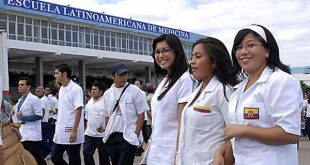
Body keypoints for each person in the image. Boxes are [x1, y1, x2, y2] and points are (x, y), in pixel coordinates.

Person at [221, 24, 303, 165]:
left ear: (267, 50)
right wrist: (220, 152)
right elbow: (235, 133)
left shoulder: (281, 81)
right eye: (239, 48)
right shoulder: (238, 90)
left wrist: (245, 130)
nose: (243, 51)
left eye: (250, 45)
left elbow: (290, 134)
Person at [176, 37, 237, 165]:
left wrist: (221, 154)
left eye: (198, 56)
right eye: (192, 57)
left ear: (213, 62)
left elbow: (234, 135)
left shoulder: (224, 91)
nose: (192, 61)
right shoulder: (196, 92)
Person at [143, 34, 196, 164]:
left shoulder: (186, 80)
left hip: (170, 155)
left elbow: (183, 125)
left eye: (166, 50)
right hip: (156, 153)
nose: (160, 55)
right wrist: (147, 153)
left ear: (176, 52)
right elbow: (158, 124)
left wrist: (176, 158)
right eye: (157, 52)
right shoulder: (166, 80)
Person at [102, 62, 149, 165]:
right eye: (120, 75)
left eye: (125, 74)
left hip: (128, 137)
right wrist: (107, 131)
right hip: (112, 137)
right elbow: (106, 115)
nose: (124, 77)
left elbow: (141, 114)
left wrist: (135, 134)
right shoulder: (108, 94)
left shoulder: (135, 91)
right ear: (113, 77)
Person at [52, 64, 84, 165]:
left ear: (64, 74)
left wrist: (74, 130)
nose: (55, 75)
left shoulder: (76, 88)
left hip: (71, 130)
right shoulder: (61, 89)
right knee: (55, 157)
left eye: (57, 73)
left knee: (74, 160)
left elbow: (78, 109)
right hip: (61, 130)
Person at [16, 77, 46, 165]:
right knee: (27, 158)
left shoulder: (34, 99)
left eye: (22, 85)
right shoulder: (20, 100)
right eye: (19, 85)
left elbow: (39, 115)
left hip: (32, 135)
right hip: (23, 133)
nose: (19, 86)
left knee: (37, 157)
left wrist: (24, 118)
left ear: (28, 87)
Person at [83, 81, 110, 165]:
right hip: (89, 134)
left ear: (101, 91)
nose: (92, 91)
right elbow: (86, 117)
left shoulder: (105, 102)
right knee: (86, 153)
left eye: (95, 89)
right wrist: (86, 128)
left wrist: (106, 129)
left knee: (104, 158)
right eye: (92, 89)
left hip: (102, 135)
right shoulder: (89, 101)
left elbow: (108, 117)